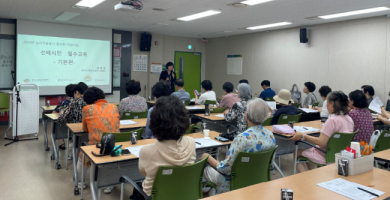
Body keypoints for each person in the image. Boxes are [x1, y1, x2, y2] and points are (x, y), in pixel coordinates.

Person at [201, 98, 276, 195]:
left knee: (206, 168)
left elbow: (224, 169)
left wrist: (208, 158)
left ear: (246, 115)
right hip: (259, 179)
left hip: (233, 182)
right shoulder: (270, 135)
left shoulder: (242, 138)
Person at [134, 96, 196, 198]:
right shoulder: (192, 143)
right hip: (184, 194)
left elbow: (143, 172)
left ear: (154, 121)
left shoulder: (146, 151)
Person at [291, 91, 353, 173]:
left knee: (297, 152)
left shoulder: (332, 120)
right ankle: (314, 175)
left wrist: (303, 136)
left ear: (331, 103)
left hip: (325, 155)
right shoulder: (349, 119)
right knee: (309, 150)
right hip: (341, 154)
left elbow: (321, 142)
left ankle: (306, 179)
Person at [77, 86, 120, 193]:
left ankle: (80, 182)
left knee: (83, 154)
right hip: (114, 146)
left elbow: (85, 128)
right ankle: (108, 184)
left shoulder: (87, 109)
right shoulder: (114, 107)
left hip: (96, 147)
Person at [57, 82, 88, 149]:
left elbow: (61, 120)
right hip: (90, 133)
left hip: (76, 134)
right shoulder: (91, 102)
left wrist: (62, 113)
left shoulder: (74, 103)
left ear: (77, 92)